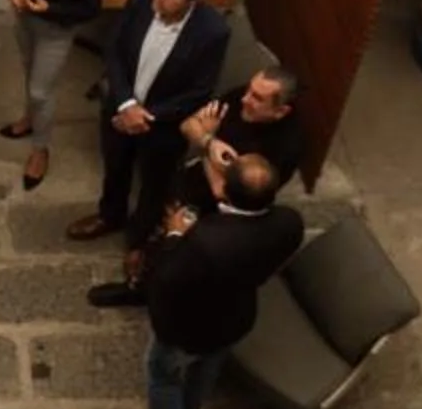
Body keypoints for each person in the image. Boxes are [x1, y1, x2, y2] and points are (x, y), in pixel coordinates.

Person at [119, 152, 306, 409]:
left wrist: (175, 234)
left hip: (188, 328)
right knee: (205, 370)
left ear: (223, 190)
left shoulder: (205, 240)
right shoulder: (289, 222)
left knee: (163, 375)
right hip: (235, 317)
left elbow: (165, 278)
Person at [91, 64, 304, 309]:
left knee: (174, 252)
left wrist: (205, 149)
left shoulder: (284, 148)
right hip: (188, 180)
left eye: (257, 98)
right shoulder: (240, 98)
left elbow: (225, 194)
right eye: (249, 90)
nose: (245, 99)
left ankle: (143, 290)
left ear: (280, 111)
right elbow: (189, 125)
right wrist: (208, 142)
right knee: (152, 208)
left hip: (212, 211)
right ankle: (140, 255)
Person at [69, 0, 231, 245]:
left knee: (156, 183)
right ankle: (110, 215)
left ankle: (138, 237)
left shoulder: (212, 31)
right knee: (115, 167)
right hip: (120, 108)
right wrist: (126, 105)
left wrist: (146, 116)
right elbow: (115, 50)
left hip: (163, 124)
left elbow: (200, 90)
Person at [0, 0, 103, 191]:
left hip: (55, 31)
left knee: (41, 90)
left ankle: (40, 149)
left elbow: (90, 9)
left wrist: (50, 9)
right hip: (25, 21)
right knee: (30, 72)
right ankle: (29, 119)